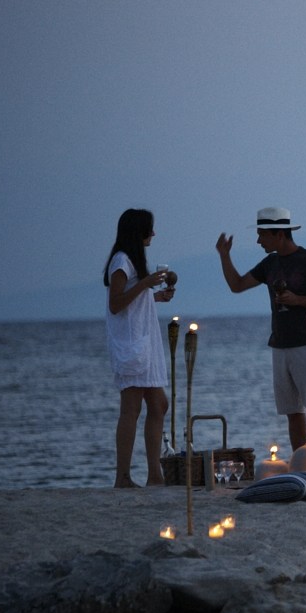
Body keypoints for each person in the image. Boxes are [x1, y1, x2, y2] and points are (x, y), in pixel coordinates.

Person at [216, 207, 306, 451]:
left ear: (279, 234)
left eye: (262, 235)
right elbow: (237, 285)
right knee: (293, 411)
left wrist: (298, 300)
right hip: (279, 345)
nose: (258, 241)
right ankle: (302, 461)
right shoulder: (270, 263)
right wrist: (224, 256)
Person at [103, 208, 175, 488]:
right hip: (132, 345)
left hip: (143, 343)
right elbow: (116, 303)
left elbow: (132, 303)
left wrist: (153, 296)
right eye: (150, 229)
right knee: (130, 409)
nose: (153, 234)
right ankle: (123, 476)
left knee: (158, 404)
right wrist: (145, 284)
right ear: (138, 231)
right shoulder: (122, 261)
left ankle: (154, 474)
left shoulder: (131, 260)